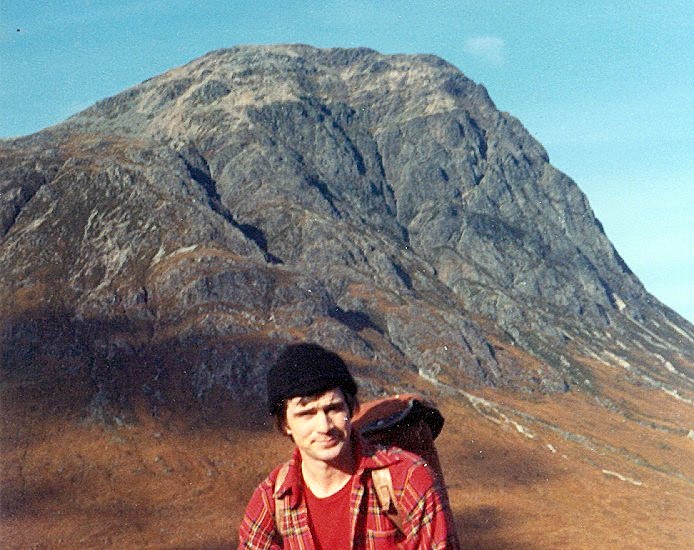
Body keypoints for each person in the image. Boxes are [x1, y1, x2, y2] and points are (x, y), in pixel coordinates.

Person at [238, 342, 459, 549]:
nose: (324, 426)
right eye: (307, 414)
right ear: (285, 424)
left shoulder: (409, 480)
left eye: (333, 408)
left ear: (351, 409)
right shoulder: (270, 501)